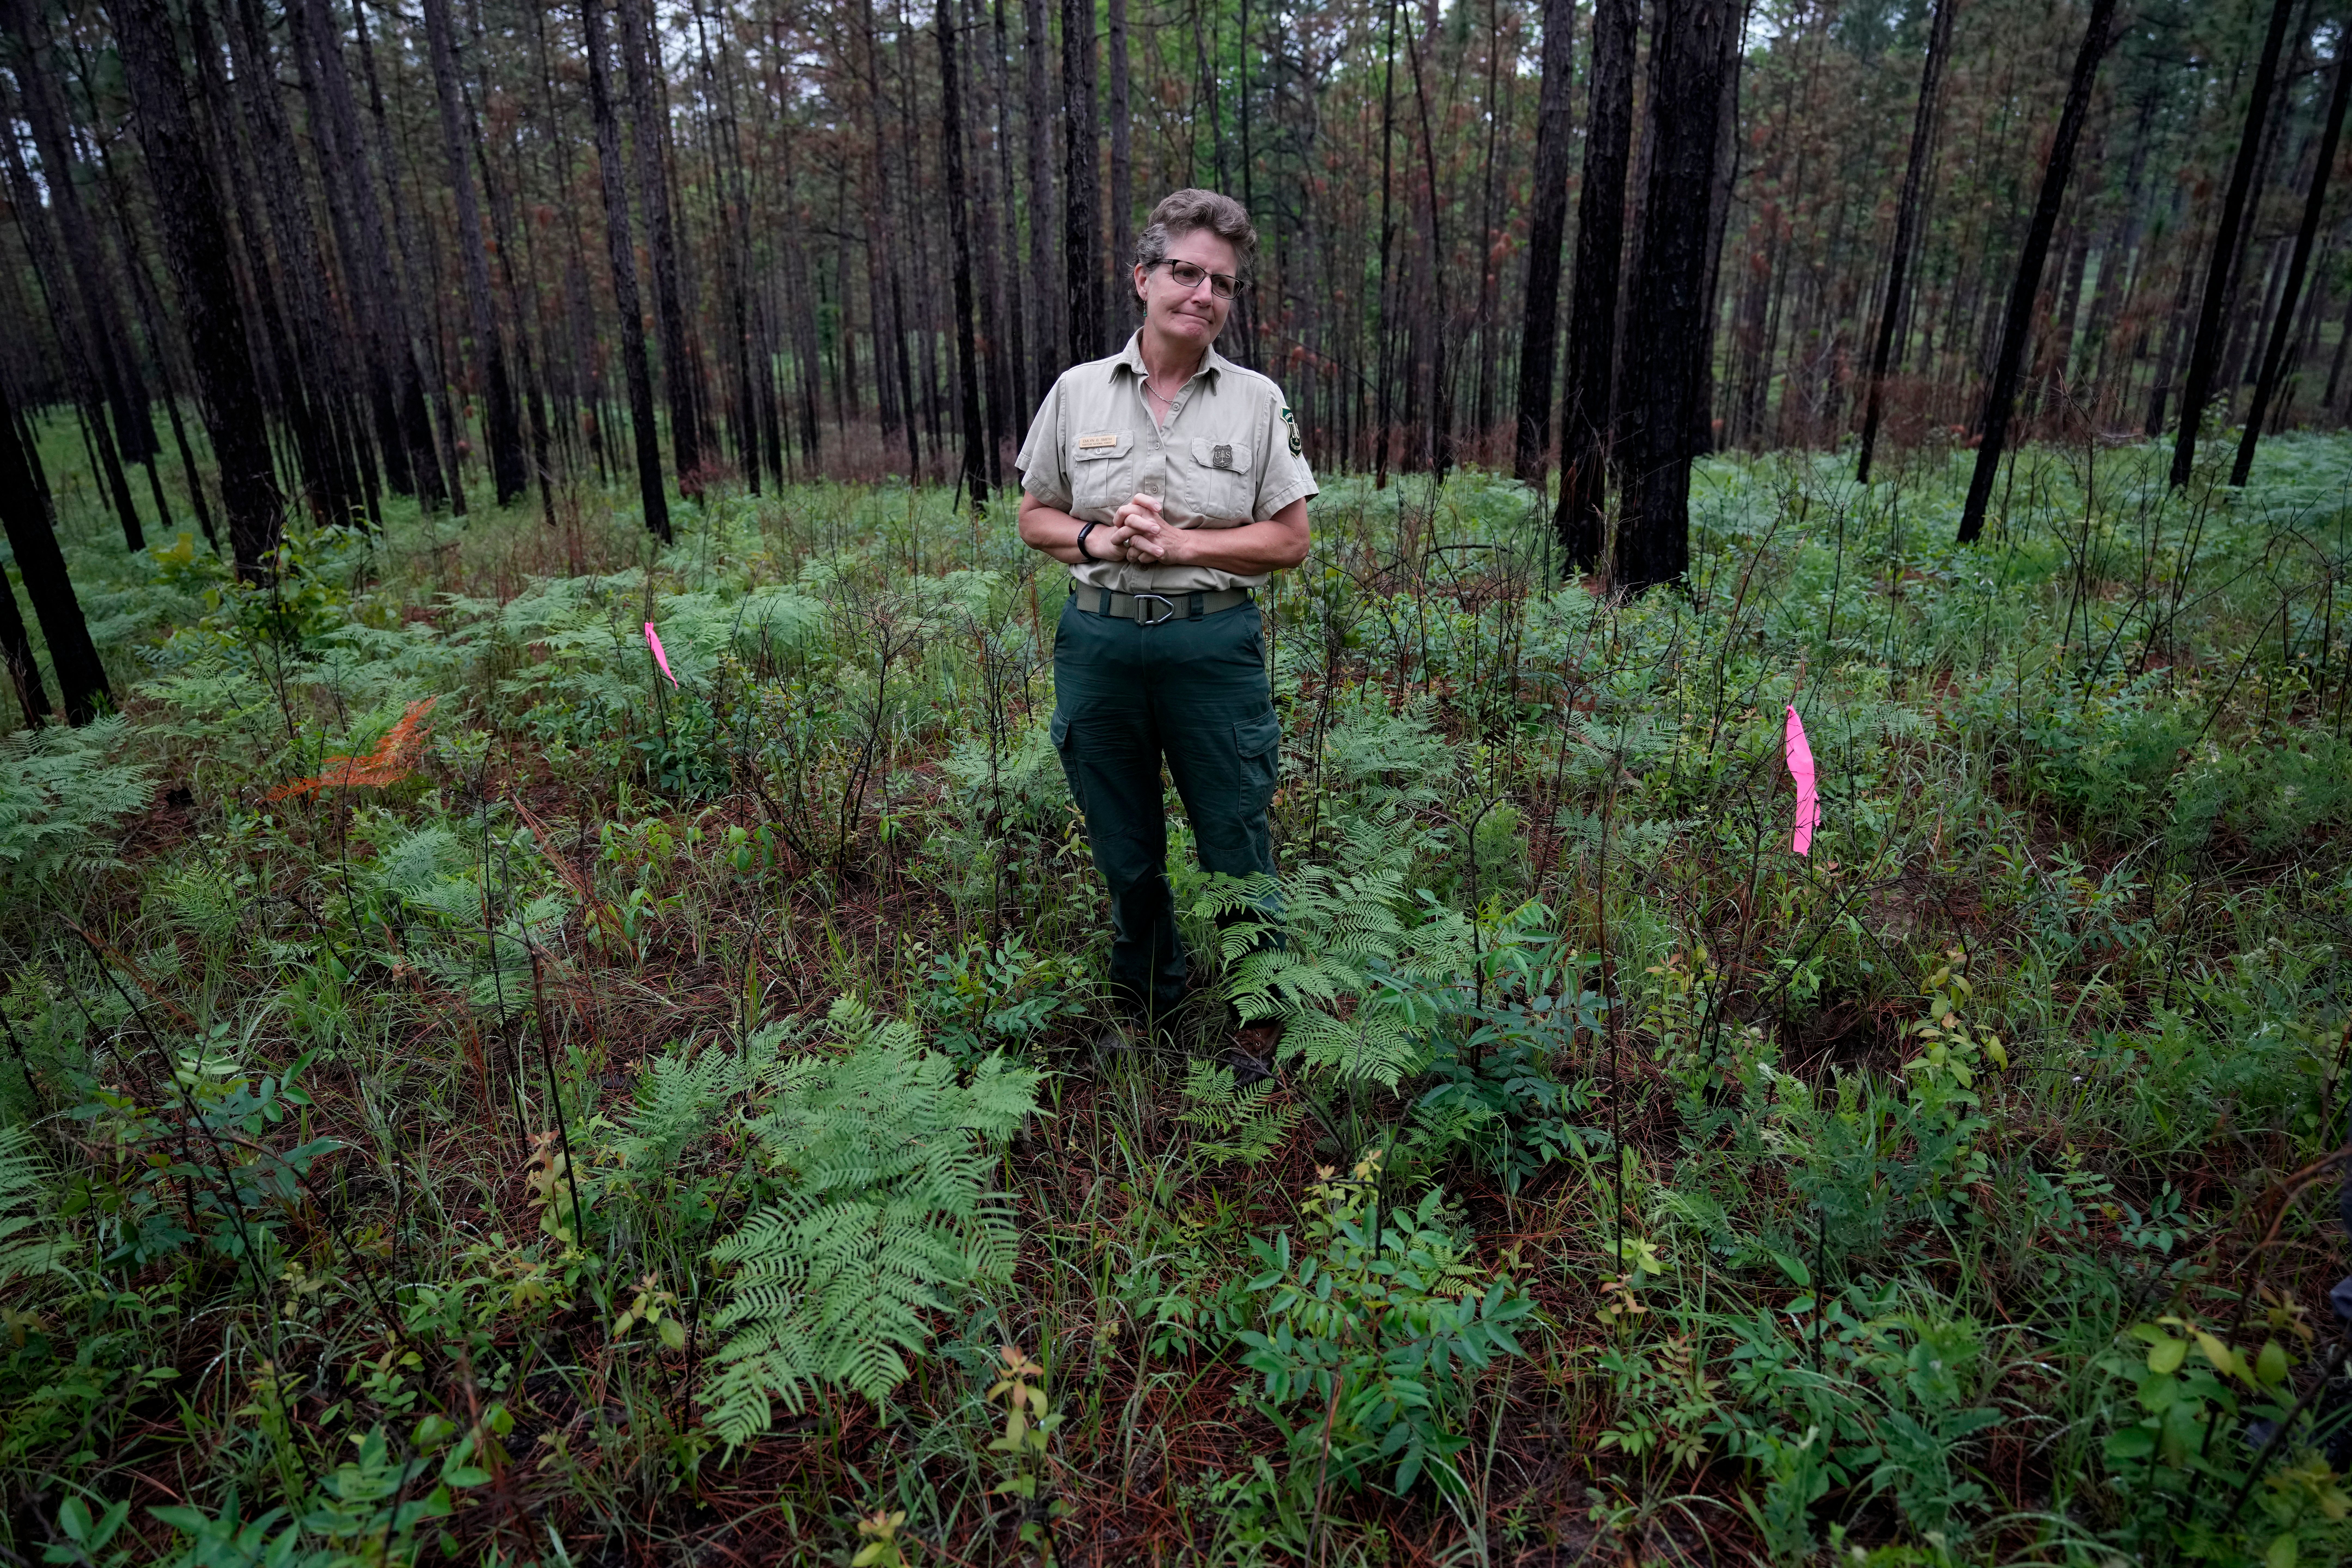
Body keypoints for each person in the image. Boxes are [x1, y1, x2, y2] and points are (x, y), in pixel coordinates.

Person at [1015, 189, 1316, 1058]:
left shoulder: (1258, 402)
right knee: (1125, 843)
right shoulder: (1077, 394)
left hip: (1211, 645)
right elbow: (1033, 516)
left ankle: (1261, 1023)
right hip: (1100, 644)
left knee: (1235, 833)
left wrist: (1180, 541)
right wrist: (1096, 536)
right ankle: (1149, 1008)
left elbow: (1291, 542)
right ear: (1144, 277)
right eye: (1186, 272)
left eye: (1221, 283)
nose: (1203, 294)